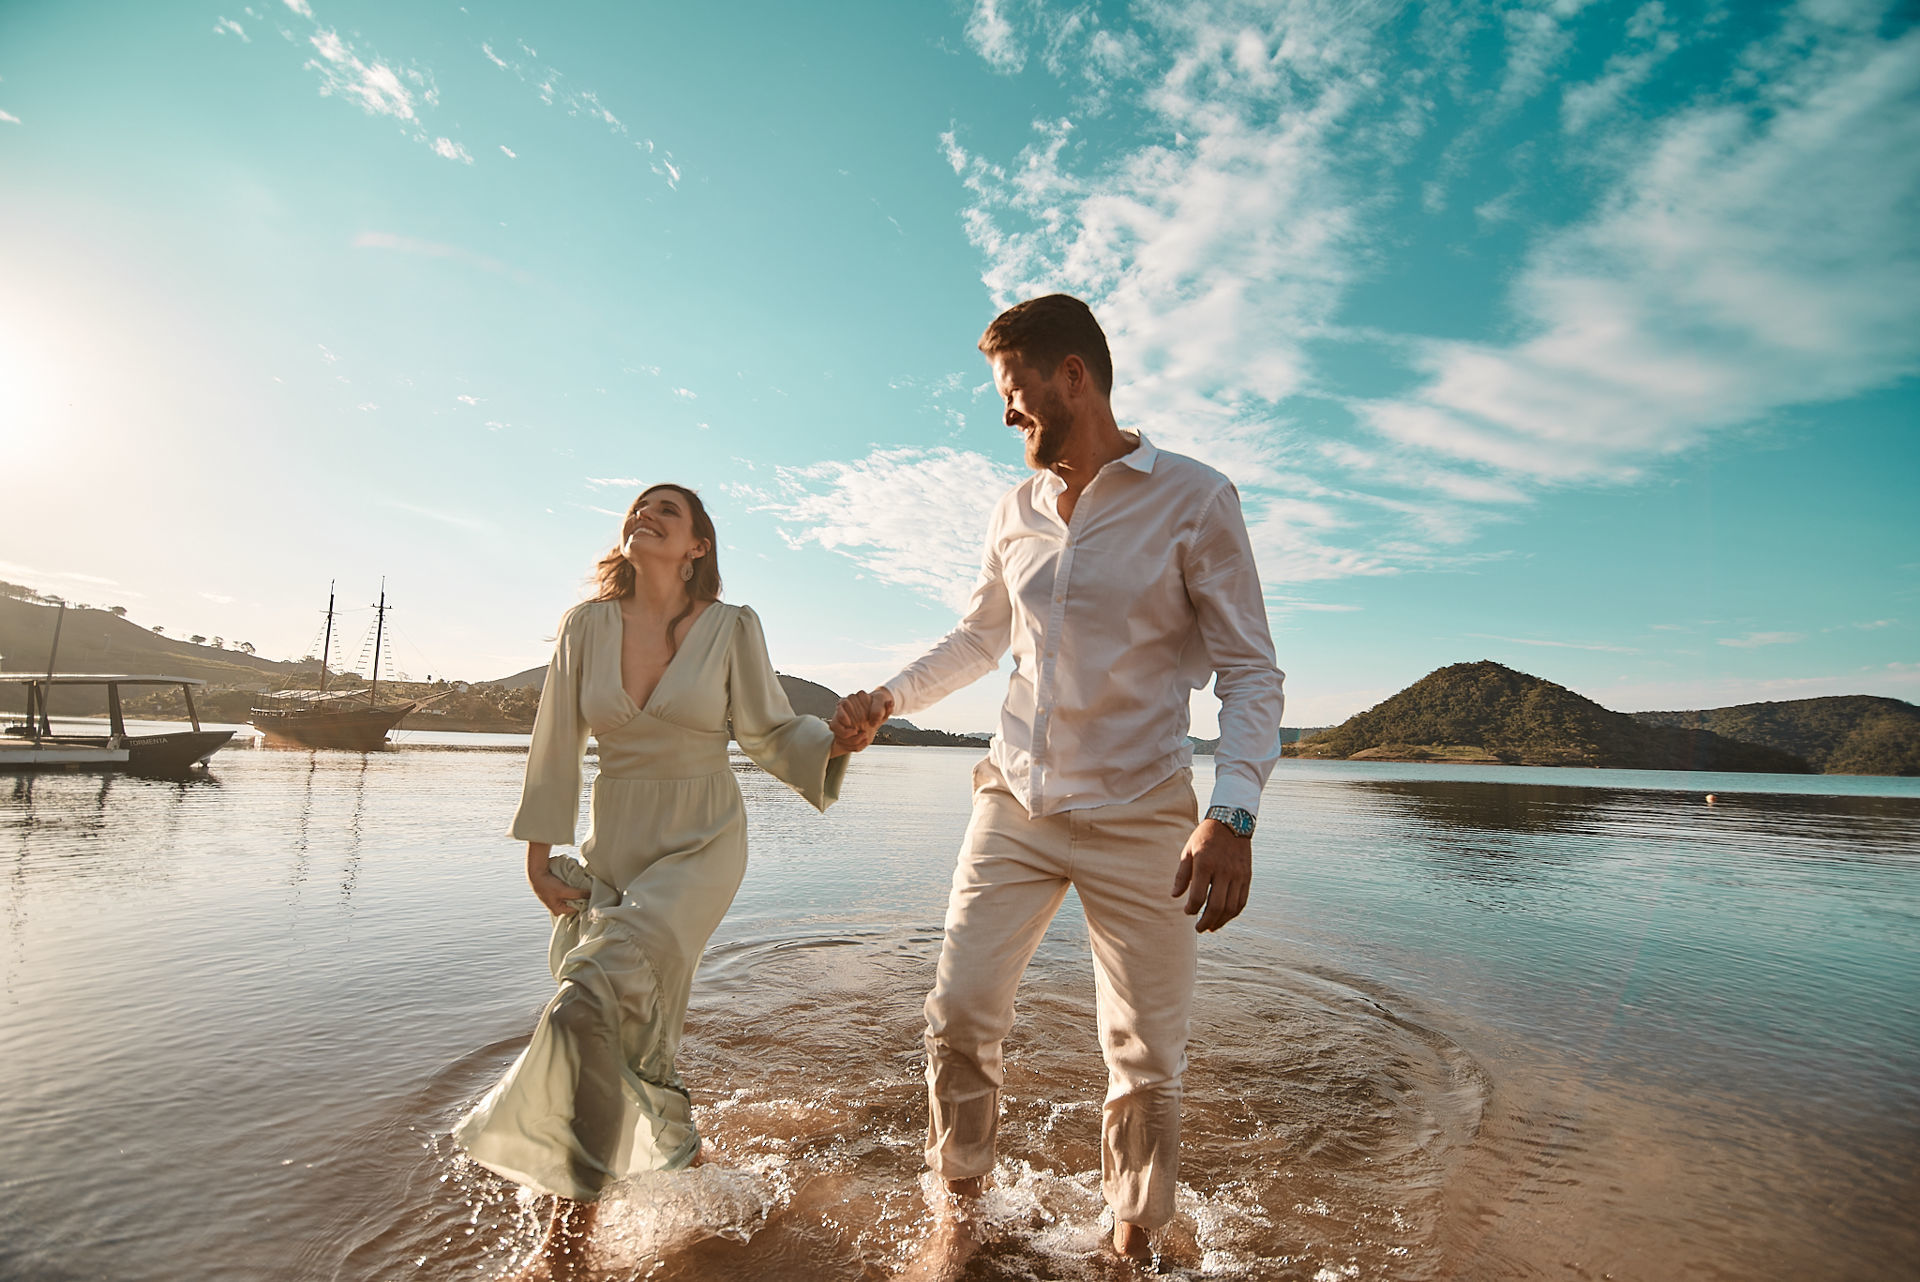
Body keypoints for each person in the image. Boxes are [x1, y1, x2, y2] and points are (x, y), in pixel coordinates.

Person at [833, 295, 1286, 1275]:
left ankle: (1130, 1242)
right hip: (1015, 806)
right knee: (956, 1013)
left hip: (1145, 818)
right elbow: (983, 636)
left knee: (1145, 1059)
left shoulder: (1197, 499)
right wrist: (887, 698)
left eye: (1015, 393)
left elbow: (1252, 673)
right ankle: (958, 1212)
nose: (1007, 415)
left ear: (1072, 375)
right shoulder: (1015, 510)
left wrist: (1232, 813)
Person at [455, 483, 863, 1281]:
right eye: (637, 508)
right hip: (617, 845)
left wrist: (840, 743)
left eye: (666, 512)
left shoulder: (732, 627)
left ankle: (565, 1244)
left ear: (697, 547)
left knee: (584, 1008)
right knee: (624, 1022)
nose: (646, 515)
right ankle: (687, 1156)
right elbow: (556, 742)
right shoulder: (586, 626)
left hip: (704, 841)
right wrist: (538, 850)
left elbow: (772, 732)